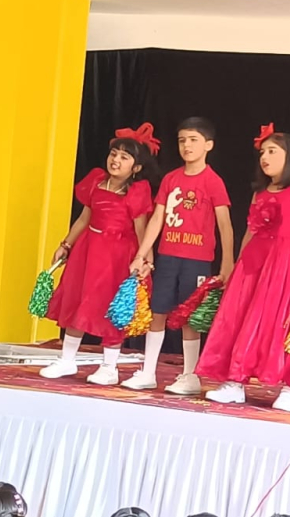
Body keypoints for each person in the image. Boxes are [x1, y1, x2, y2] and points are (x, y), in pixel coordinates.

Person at [196, 128, 290, 412]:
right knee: (241, 318)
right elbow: (250, 230)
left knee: (286, 322)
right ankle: (235, 382)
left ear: (289, 156)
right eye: (262, 153)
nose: (265, 158)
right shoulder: (260, 192)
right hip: (256, 262)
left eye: (272, 152)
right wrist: (238, 266)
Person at [40, 126, 158, 385]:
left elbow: (142, 230)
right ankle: (67, 359)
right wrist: (66, 245)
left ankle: (109, 367)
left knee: (111, 307)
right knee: (77, 299)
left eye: (124, 157)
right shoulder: (95, 182)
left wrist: (145, 260)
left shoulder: (136, 192)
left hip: (117, 256)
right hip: (87, 250)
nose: (116, 160)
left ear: (136, 167)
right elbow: (84, 218)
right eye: (114, 154)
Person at [124, 117, 234, 394]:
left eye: (194, 140)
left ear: (208, 145)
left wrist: (227, 262)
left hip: (197, 260)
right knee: (157, 311)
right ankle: (148, 371)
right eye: (182, 140)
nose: (187, 145)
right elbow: (157, 218)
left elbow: (225, 225)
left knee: (190, 316)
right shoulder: (171, 179)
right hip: (168, 255)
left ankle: (190, 375)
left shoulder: (213, 181)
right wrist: (141, 254)